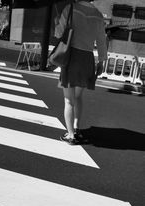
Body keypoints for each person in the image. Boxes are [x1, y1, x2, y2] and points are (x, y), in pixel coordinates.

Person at [55, 0, 107, 145]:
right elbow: (102, 40)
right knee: (78, 96)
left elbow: (58, 33)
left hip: (71, 57)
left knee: (68, 100)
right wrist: (102, 60)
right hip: (87, 59)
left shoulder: (70, 8)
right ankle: (76, 128)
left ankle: (70, 135)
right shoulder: (97, 14)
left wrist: (57, 22)